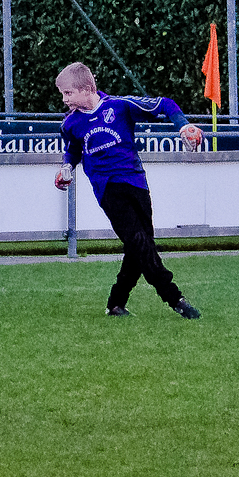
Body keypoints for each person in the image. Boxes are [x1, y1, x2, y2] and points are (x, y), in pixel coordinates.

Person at [53, 61, 206, 319]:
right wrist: (66, 167)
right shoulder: (70, 123)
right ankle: (175, 299)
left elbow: (165, 104)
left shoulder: (119, 106)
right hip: (107, 188)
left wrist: (183, 125)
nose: (65, 99)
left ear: (87, 89)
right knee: (140, 243)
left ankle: (116, 303)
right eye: (63, 94)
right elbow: (73, 149)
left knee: (140, 247)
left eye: (68, 93)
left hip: (136, 182)